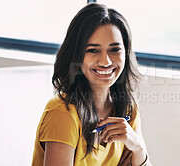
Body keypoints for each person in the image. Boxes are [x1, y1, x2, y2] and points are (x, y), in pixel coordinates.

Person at [32, 3, 152, 166]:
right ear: (76, 55)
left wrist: (137, 148)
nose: (106, 61)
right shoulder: (62, 114)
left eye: (115, 49)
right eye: (93, 50)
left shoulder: (128, 107)